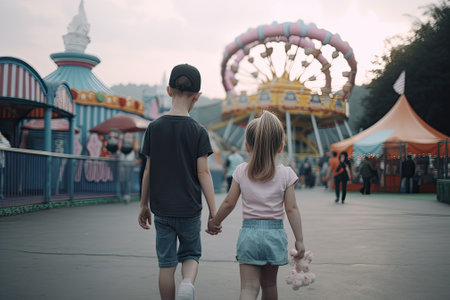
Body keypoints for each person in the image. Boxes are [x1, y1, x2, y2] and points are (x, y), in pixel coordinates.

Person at [138, 64, 218, 300]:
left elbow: (148, 171)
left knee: (166, 264)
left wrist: (144, 204)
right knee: (191, 255)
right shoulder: (199, 131)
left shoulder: (154, 128)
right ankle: (187, 284)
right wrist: (214, 211)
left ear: (168, 90)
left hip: (161, 209)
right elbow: (204, 174)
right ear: (197, 96)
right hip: (190, 209)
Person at [207, 111, 305, 300]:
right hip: (274, 236)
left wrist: (214, 221)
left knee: (249, 288)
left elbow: (229, 203)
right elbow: (292, 209)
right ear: (280, 146)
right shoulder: (286, 174)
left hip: (249, 236)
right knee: (269, 285)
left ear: (247, 145)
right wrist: (299, 239)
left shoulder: (241, 171)